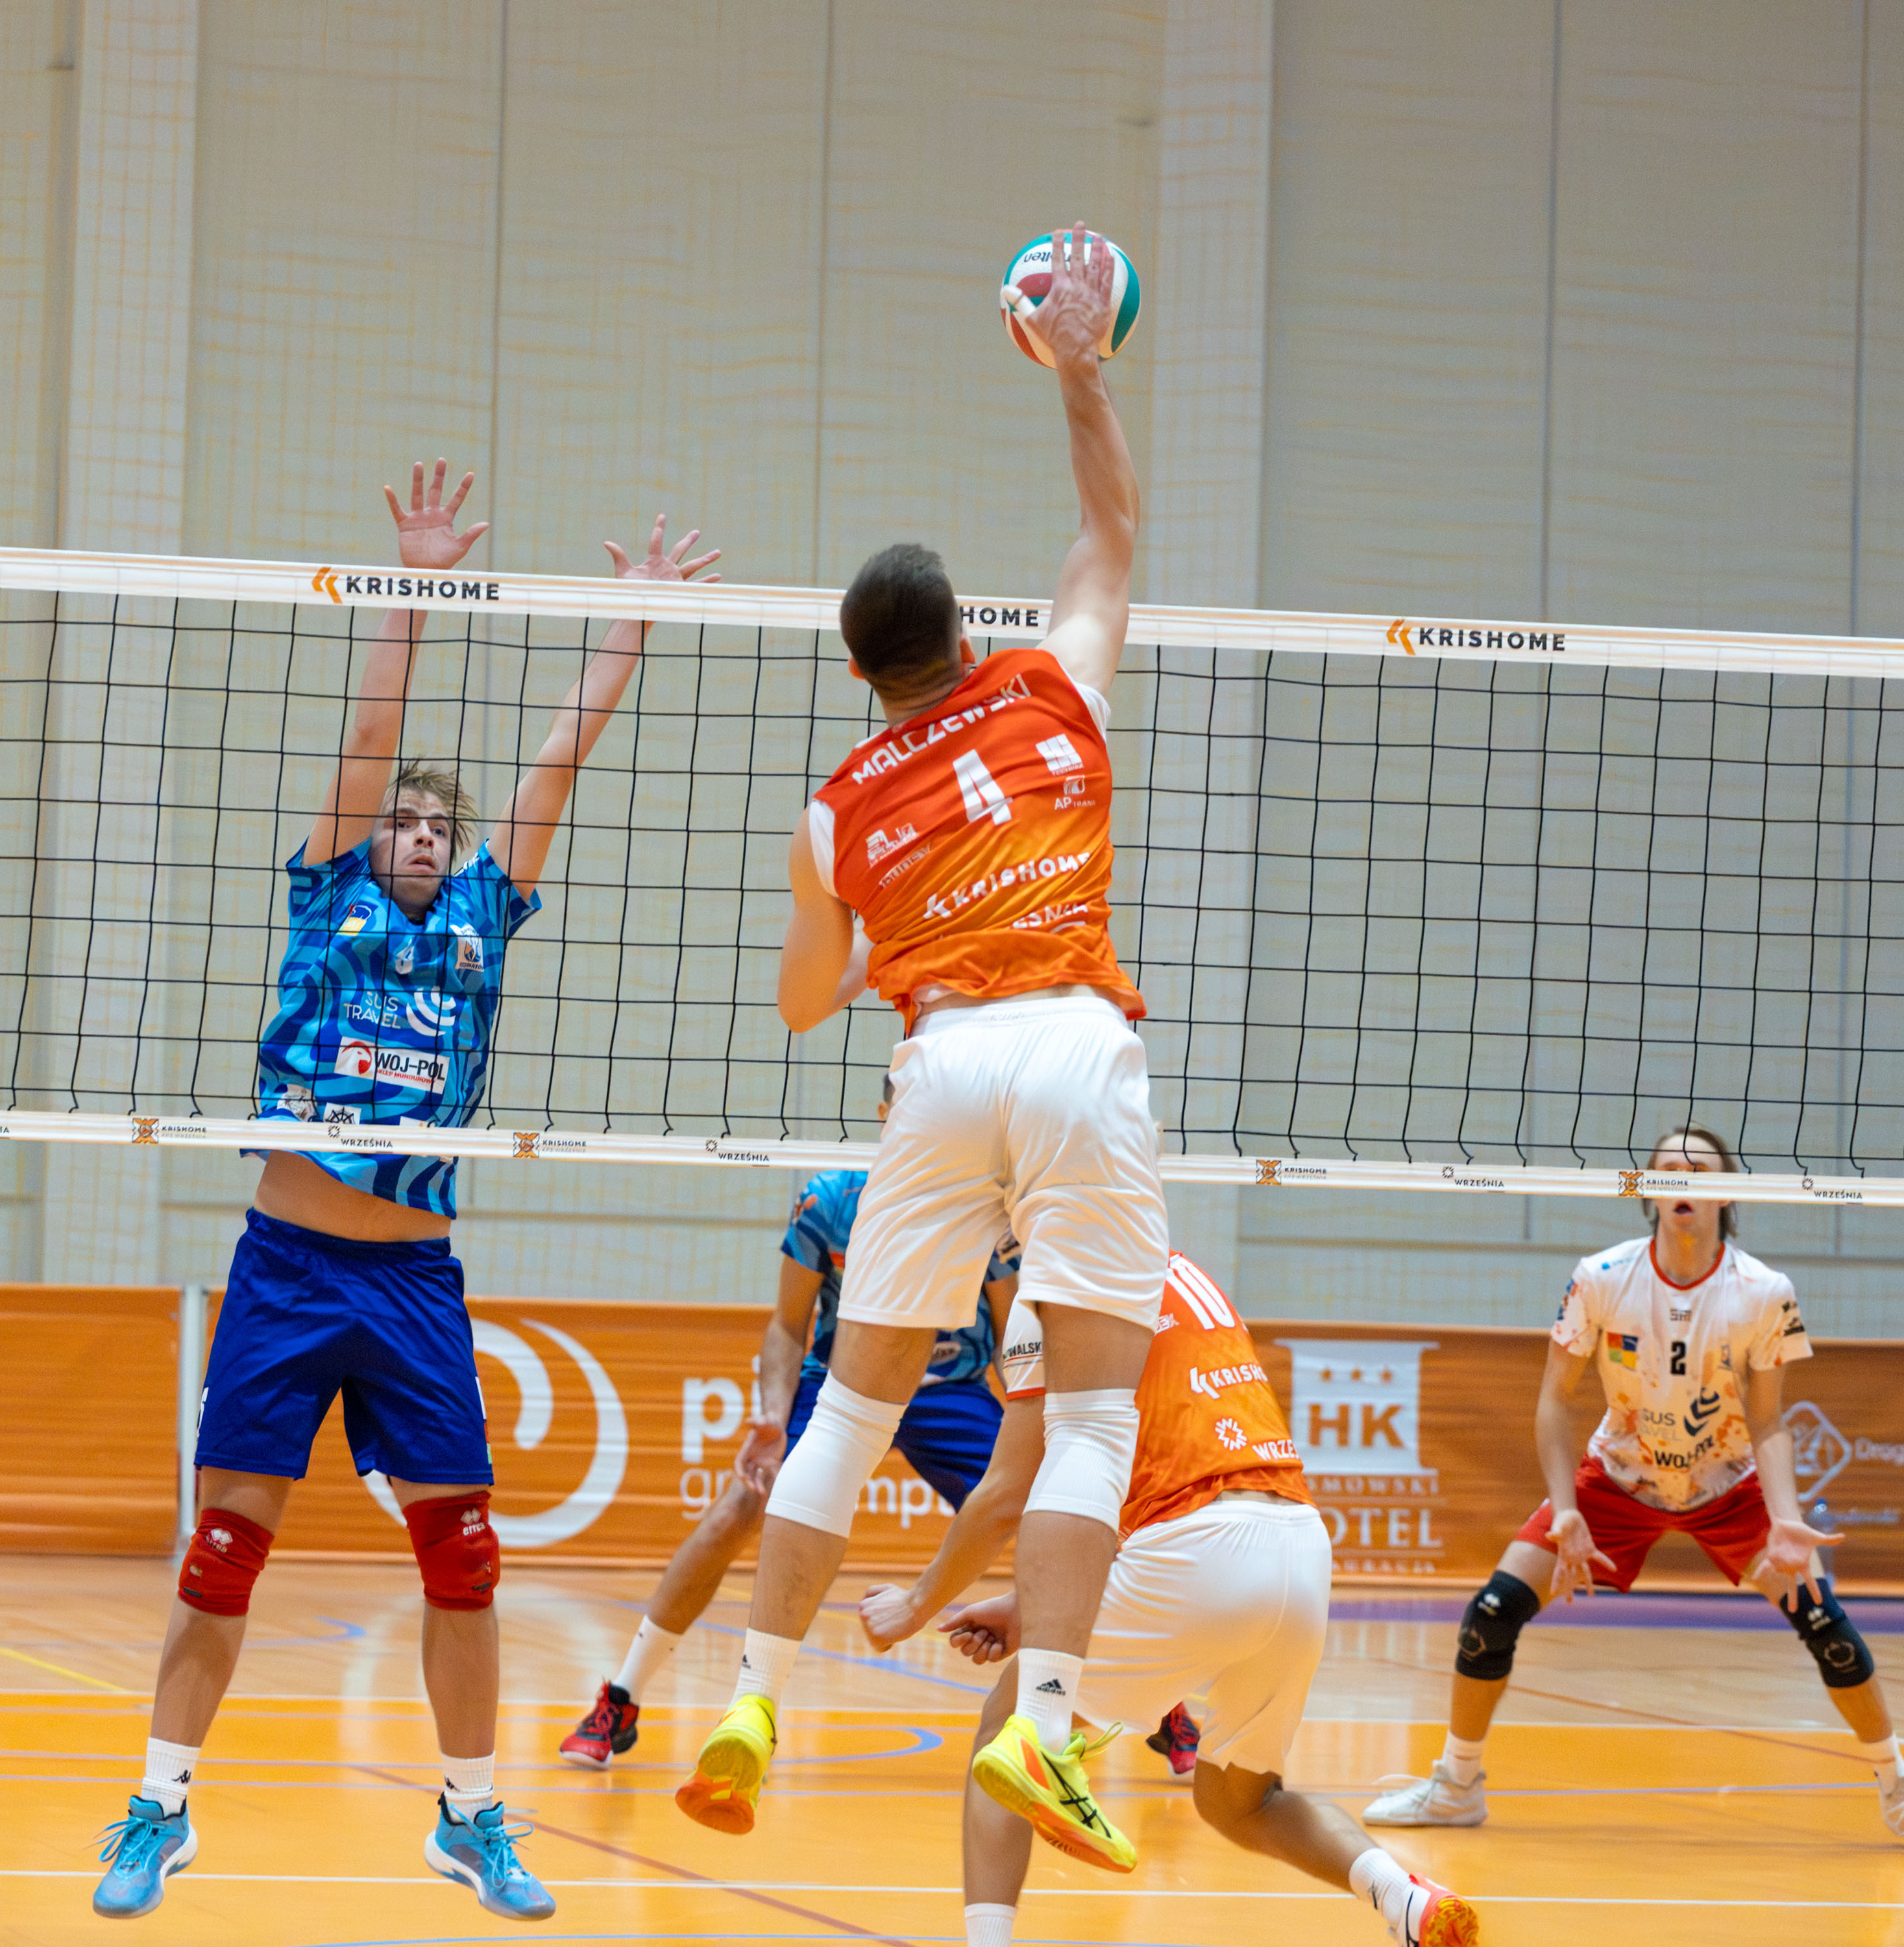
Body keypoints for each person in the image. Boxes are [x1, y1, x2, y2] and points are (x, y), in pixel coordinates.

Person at [87, 464, 720, 1925]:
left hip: (414, 1280)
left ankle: (472, 1818)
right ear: (371, 838)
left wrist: (627, 626)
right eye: (408, 819)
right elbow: (371, 735)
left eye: (443, 821)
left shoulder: (486, 916)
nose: (427, 831)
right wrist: (411, 590)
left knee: (466, 1558)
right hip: (290, 1263)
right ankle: (159, 1808)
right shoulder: (329, 897)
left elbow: (553, 767)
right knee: (225, 1547)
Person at [677, 224, 1169, 1873]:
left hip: (941, 1065)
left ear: (860, 673)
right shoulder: (1051, 687)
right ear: (967, 633)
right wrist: (1078, 369)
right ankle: (1044, 1724)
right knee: (1089, 1418)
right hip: (1075, 1046)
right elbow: (1109, 531)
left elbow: (802, 1003)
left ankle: (753, 1698)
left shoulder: (836, 806)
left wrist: (854, 906)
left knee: (852, 1402)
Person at [1367, 1125, 1904, 1854]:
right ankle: (1455, 1787)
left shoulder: (1763, 1292)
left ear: (1728, 1192)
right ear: (1648, 1191)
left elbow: (1768, 1418)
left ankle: (1901, 1792)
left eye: (1699, 1168)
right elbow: (1554, 1401)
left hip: (1729, 1482)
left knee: (1826, 1627)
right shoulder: (1600, 1277)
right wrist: (1566, 1511)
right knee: (1491, 1614)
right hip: (1618, 1476)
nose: (1681, 1177)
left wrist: (1784, 1517)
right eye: (1665, 1168)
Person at [864, 1253, 1476, 1947]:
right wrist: (1027, 1605)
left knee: (1006, 1735)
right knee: (1242, 1802)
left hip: (1194, 1549)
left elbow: (1008, 1491)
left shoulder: (1056, 1291)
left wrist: (915, 1605)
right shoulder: (1187, 1273)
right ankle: (1403, 1896)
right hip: (1299, 1548)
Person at [563, 1130, 1019, 1767]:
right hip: (842, 1382)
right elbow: (786, 1324)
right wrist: (774, 1418)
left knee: (1048, 1514)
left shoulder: (982, 1202)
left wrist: (1035, 1432)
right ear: (889, 1115)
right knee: (740, 1506)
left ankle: (1127, 1702)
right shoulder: (831, 1201)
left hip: (951, 1389)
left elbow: (1012, 1334)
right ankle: (622, 1696)